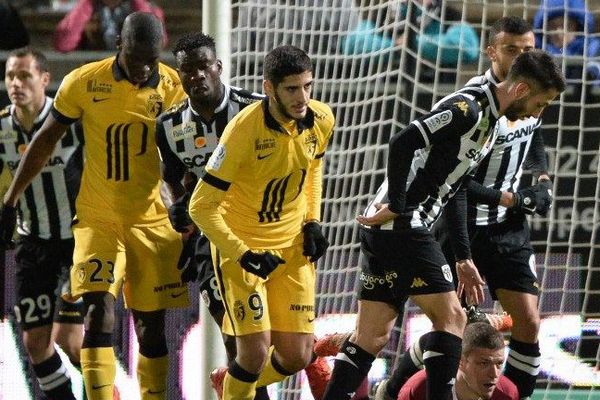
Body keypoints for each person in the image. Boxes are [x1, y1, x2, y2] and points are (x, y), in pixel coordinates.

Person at [320, 49, 565, 400]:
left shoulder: (491, 124)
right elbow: (403, 141)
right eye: (541, 104)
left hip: (393, 229)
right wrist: (400, 206)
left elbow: (457, 186)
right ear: (523, 90)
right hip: (405, 224)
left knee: (371, 336)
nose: (536, 114)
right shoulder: (469, 109)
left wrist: (463, 258)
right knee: (452, 320)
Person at [0, 12, 187, 400]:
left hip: (151, 220)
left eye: (151, 60)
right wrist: (11, 199)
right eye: (136, 58)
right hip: (96, 220)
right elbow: (45, 139)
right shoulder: (84, 82)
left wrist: (187, 206)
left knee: (151, 329)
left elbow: (183, 156)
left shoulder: (173, 87)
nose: (143, 69)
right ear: (119, 45)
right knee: (97, 313)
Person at [376, 17, 554, 400]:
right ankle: (391, 392)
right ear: (491, 51)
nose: (521, 56)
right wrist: (505, 198)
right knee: (452, 328)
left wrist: (540, 179)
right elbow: (454, 179)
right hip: (460, 223)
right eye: (511, 49)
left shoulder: (529, 97)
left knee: (528, 321)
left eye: (528, 49)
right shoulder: (474, 105)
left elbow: (534, 140)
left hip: (507, 228)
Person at [156, 33, 341, 400]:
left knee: (296, 355)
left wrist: (312, 220)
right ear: (270, 89)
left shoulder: (320, 118)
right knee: (251, 351)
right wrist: (241, 251)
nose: (302, 98)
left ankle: (231, 386)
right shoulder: (240, 129)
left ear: (219, 67)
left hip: (290, 249)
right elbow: (196, 202)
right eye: (292, 89)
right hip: (238, 246)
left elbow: (312, 167)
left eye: (307, 87)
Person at [0, 47, 84, 400]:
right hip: (33, 243)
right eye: (10, 77)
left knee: (71, 339)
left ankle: (105, 391)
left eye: (24, 76)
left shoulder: (72, 121)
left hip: (78, 242)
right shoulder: (2, 127)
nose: (16, 84)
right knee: (36, 345)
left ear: (45, 80)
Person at [389, 323, 519, 400]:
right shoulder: (419, 389)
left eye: (499, 364)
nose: (494, 374)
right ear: (460, 361)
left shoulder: (507, 394)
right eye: (484, 363)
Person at [342, 0, 479, 67]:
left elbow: (468, 47)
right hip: (384, 101)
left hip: (437, 99)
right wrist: (394, 46)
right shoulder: (383, 15)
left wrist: (413, 43)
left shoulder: (448, 15)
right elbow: (352, 44)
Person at [54, 0, 167, 52]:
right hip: (94, 74)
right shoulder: (85, 7)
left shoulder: (146, 7)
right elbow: (64, 44)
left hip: (133, 76)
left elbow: (155, 44)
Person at [533, 0, 600, 86]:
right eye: (553, 26)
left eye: (567, 26)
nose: (559, 32)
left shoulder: (591, 47)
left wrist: (589, 73)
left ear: (578, 27)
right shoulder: (537, 50)